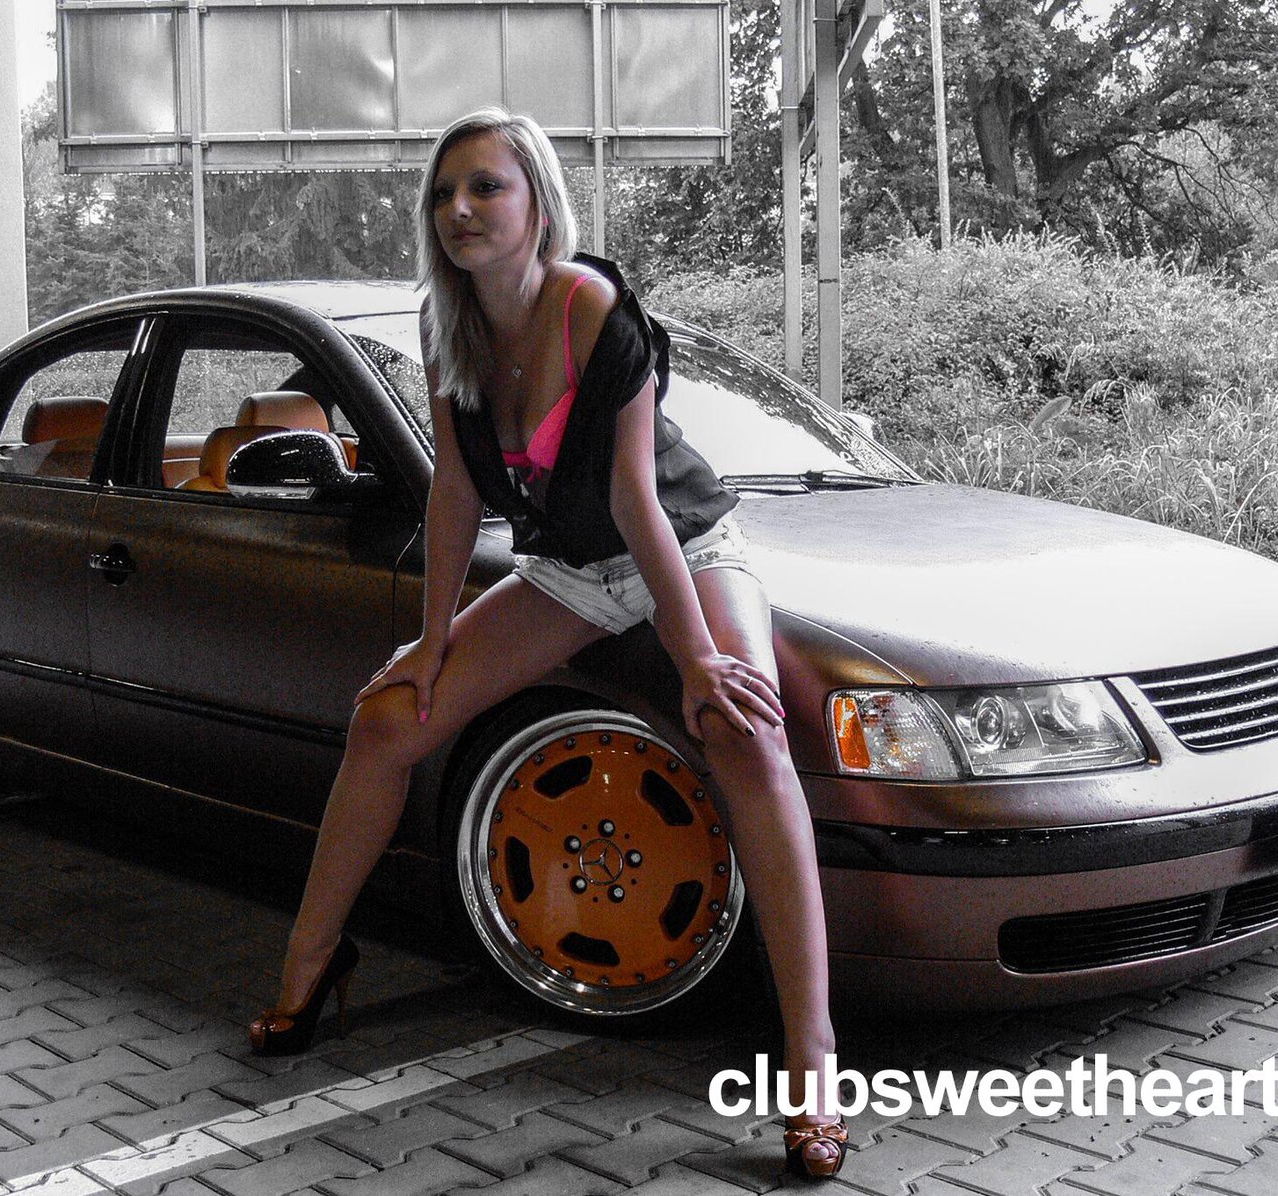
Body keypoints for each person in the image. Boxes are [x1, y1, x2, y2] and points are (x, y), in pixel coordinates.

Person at [249, 108, 850, 1180]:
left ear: (537, 203)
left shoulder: (590, 307)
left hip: (684, 546)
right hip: (569, 571)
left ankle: (811, 1065)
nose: (460, 209)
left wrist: (699, 657)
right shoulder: (446, 327)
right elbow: (455, 491)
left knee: (745, 734)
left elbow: (637, 498)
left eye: (486, 186)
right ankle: (311, 961)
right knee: (387, 717)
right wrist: (430, 643)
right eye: (444, 193)